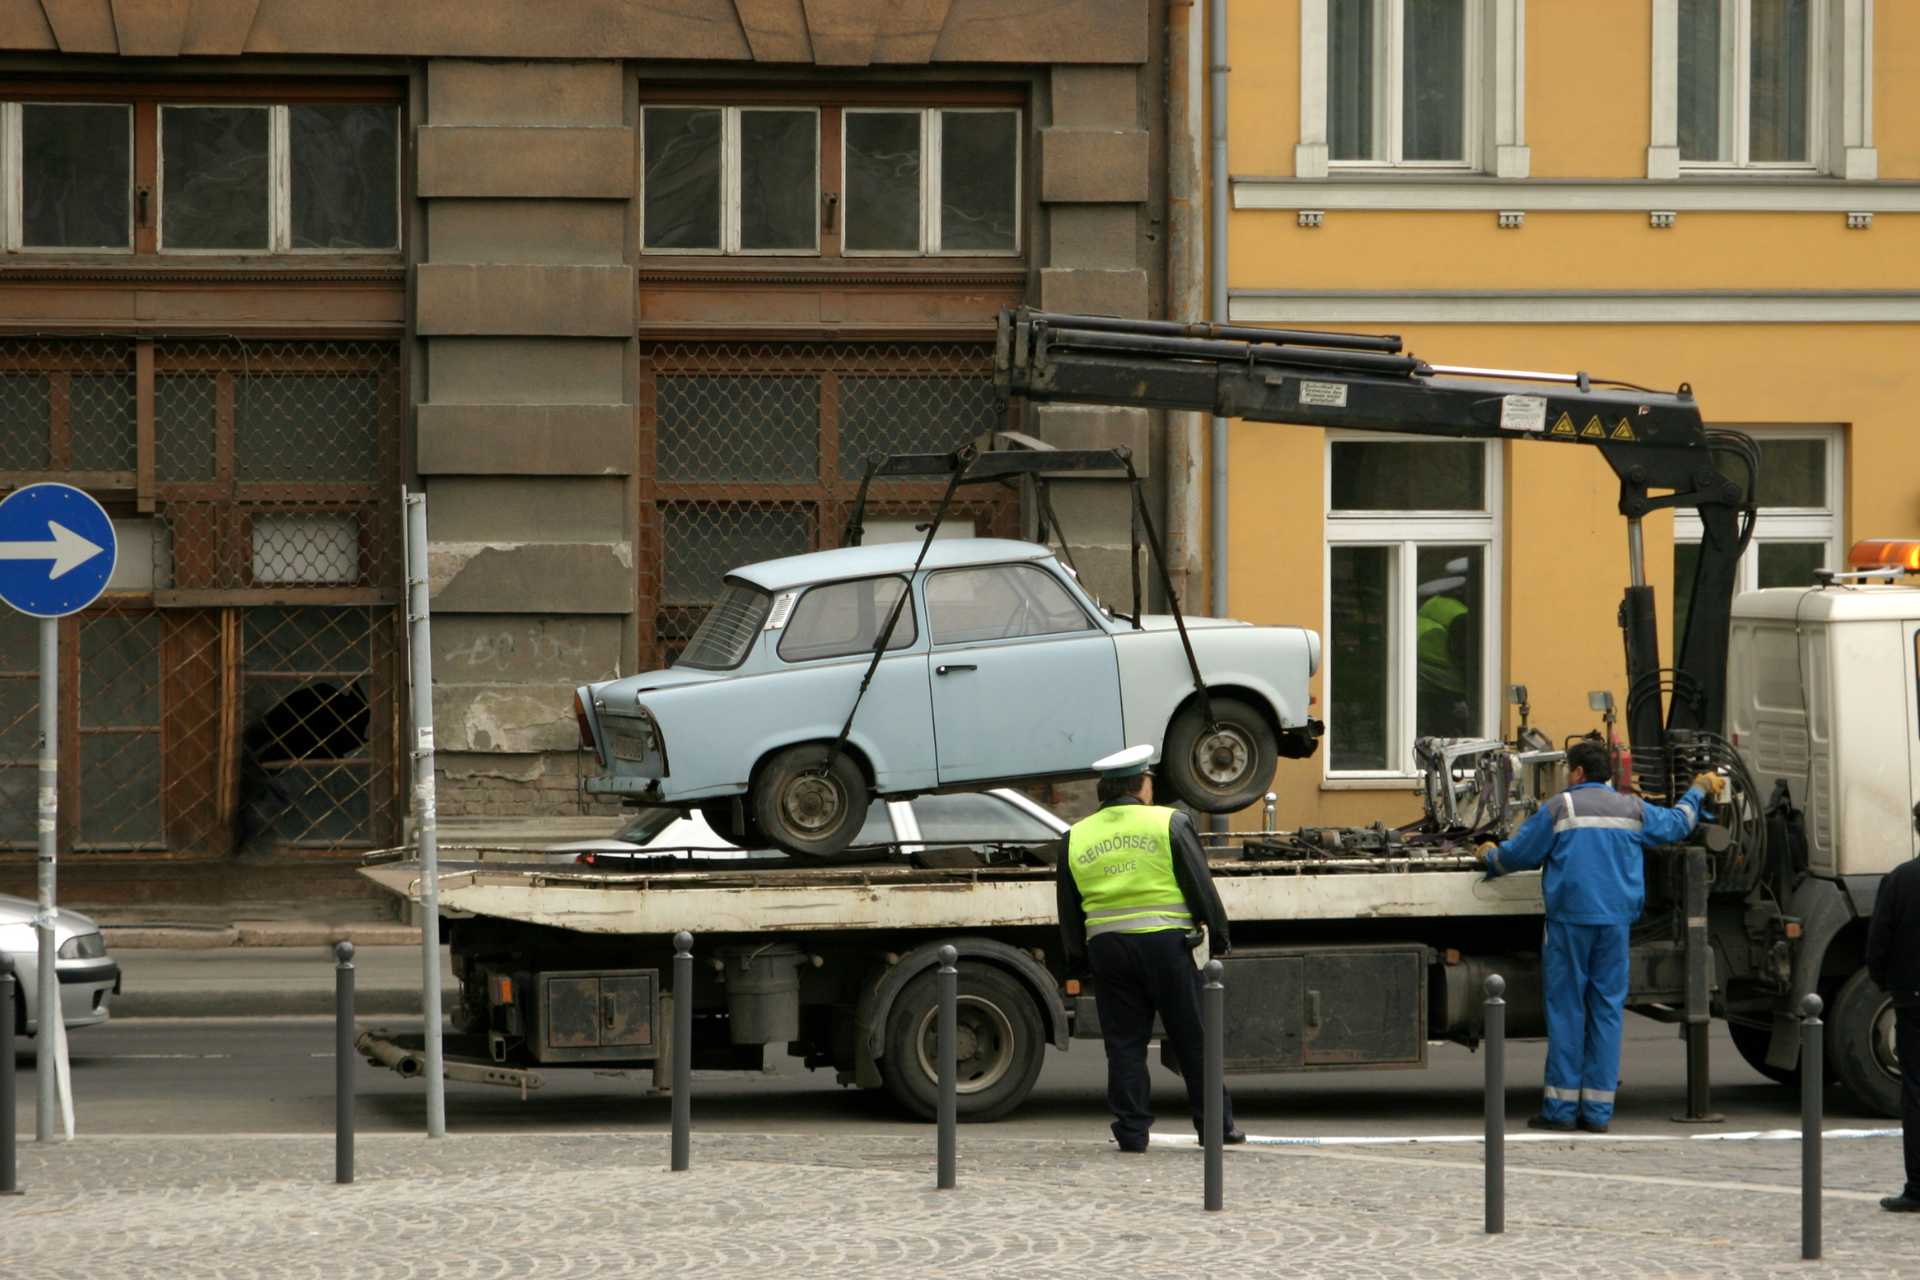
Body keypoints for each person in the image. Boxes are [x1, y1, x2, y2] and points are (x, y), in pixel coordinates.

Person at [1479, 739, 1720, 1133]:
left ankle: (1559, 1111)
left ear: (1576, 773)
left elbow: (1516, 856)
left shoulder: (1561, 808)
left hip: (1570, 924)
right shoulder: (1633, 808)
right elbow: (1679, 824)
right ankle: (1597, 1114)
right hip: (1615, 925)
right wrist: (1698, 789)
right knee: (1607, 1011)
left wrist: (1488, 854)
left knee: (1567, 1010)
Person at [1058, 744, 1245, 1152]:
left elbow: (1069, 911)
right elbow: (1199, 885)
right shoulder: (1169, 823)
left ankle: (1131, 1132)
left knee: (1124, 1045)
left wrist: (1079, 962)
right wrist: (1219, 937)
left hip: (1108, 949)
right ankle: (1216, 1128)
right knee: (1193, 1039)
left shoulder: (1075, 836)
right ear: (1142, 784)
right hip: (1168, 946)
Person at [1866, 801, 1920, 1212]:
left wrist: (1888, 982)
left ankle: (1918, 1187)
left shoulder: (1901, 879)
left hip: (1914, 999)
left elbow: (1878, 943)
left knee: (1916, 1092)